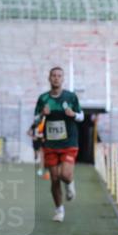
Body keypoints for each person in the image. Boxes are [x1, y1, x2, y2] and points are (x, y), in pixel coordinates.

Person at [34, 66, 83, 222]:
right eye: (53, 75)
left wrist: (73, 114)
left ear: (63, 79)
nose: (56, 78)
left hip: (69, 142)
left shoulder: (71, 97)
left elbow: (81, 116)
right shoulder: (43, 99)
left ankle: (69, 184)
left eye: (59, 75)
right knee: (54, 178)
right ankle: (59, 210)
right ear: (49, 78)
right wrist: (42, 114)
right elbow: (35, 121)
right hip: (50, 144)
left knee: (65, 175)